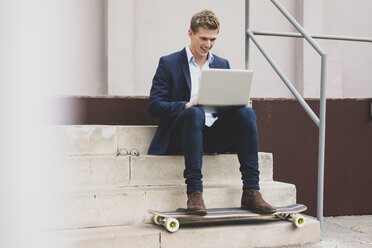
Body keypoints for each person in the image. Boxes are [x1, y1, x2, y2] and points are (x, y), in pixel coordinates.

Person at [148, 9, 275, 216]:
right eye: (203, 38)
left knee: (246, 113)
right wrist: (185, 106)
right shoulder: (168, 63)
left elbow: (228, 101)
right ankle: (195, 193)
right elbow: (155, 105)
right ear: (190, 33)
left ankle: (251, 191)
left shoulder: (222, 64)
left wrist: (234, 103)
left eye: (213, 39)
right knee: (195, 112)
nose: (208, 44)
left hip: (213, 134)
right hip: (183, 133)